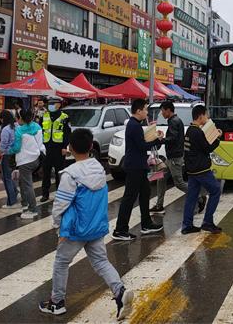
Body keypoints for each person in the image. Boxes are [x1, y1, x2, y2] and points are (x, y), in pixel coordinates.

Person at [39, 128, 134, 319]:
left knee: (61, 262)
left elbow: (61, 204)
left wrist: (57, 226)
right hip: (96, 227)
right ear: (91, 147)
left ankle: (57, 303)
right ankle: (120, 292)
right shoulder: (99, 168)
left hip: (75, 230)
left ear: (70, 148)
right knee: (101, 261)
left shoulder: (70, 174)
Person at [112, 99, 164, 241]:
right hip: (134, 166)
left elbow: (142, 144)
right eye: (146, 110)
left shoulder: (135, 125)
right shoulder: (134, 125)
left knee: (145, 193)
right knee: (129, 198)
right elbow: (142, 146)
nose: (147, 112)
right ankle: (120, 230)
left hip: (139, 165)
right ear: (139, 111)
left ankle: (146, 224)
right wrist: (157, 140)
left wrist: (156, 138)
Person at [152, 102, 206, 214]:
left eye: (162, 111)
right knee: (160, 177)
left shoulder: (174, 122)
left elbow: (172, 139)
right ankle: (159, 205)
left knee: (179, 183)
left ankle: (200, 197)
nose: (161, 113)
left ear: (168, 110)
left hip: (174, 158)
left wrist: (161, 138)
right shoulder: (174, 121)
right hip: (171, 157)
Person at [181, 105, 223, 235]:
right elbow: (208, 148)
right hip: (201, 169)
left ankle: (187, 225)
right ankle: (207, 222)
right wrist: (217, 138)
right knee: (216, 190)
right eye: (206, 115)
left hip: (192, 170)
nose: (207, 117)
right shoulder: (197, 132)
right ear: (200, 116)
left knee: (192, 197)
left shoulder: (190, 130)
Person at [10, 109, 46, 219]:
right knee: (24, 183)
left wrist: (8, 150)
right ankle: (25, 204)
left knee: (27, 185)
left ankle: (33, 209)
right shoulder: (37, 126)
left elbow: (16, 148)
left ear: (21, 118)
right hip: (37, 158)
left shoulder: (19, 131)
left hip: (25, 160)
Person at [40, 96, 71, 202]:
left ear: (59, 104)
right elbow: (41, 132)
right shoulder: (44, 116)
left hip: (59, 149)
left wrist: (64, 147)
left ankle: (59, 194)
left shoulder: (64, 117)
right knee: (46, 172)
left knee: (59, 173)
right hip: (47, 148)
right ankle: (45, 194)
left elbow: (67, 133)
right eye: (49, 104)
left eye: (53, 103)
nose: (51, 106)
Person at [0, 110, 20, 209]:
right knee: (9, 176)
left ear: (4, 118)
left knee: (6, 177)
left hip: (7, 155)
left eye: (1, 119)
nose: (0, 121)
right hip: (16, 155)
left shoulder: (6, 129)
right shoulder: (17, 126)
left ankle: (11, 202)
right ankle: (14, 191)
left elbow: (3, 144)